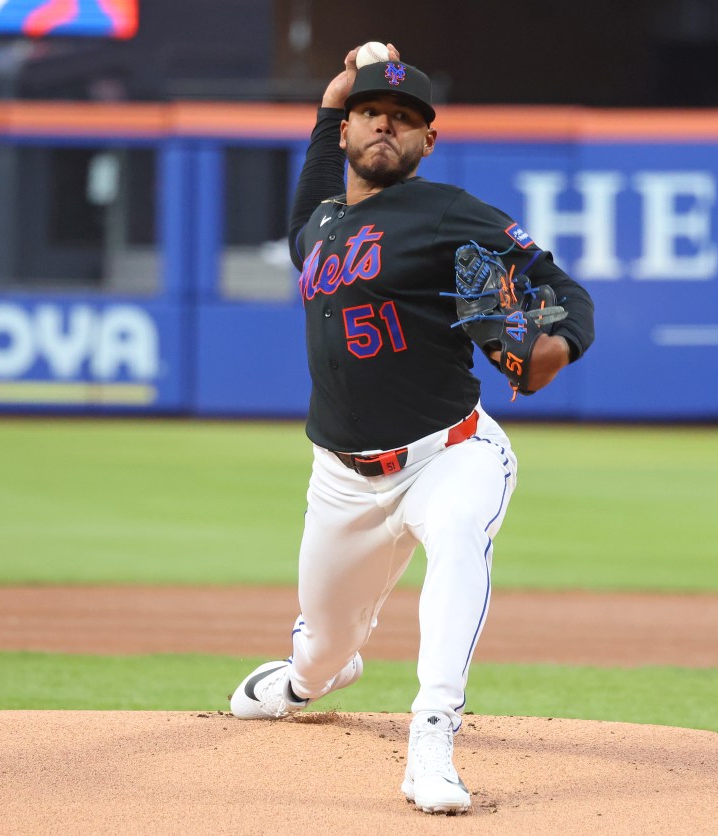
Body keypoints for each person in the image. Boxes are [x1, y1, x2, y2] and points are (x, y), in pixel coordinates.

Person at [229, 44, 595, 815]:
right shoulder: (324, 226)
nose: (386, 128)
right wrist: (328, 104)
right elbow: (305, 214)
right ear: (347, 133)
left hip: (449, 452)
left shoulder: (449, 211)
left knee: (459, 539)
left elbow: (557, 285)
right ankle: (307, 680)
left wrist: (558, 345)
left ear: (429, 139)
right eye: (371, 115)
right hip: (341, 477)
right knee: (323, 650)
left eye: (405, 119)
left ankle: (432, 737)